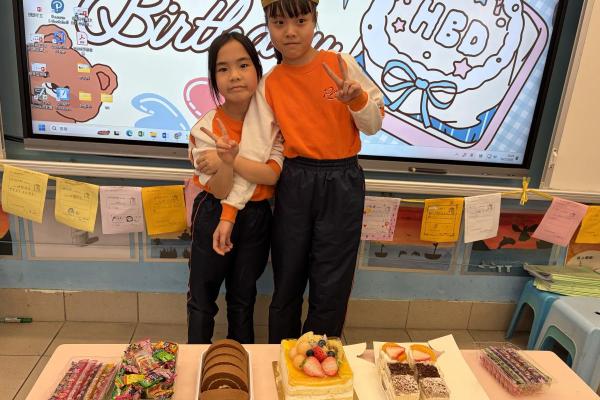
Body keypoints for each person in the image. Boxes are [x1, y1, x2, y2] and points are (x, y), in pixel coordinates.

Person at [217, 0, 385, 343]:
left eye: (300, 21)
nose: (290, 32)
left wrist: (356, 101)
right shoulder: (270, 84)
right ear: (268, 26)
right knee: (288, 278)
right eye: (279, 23)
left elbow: (373, 125)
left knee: (332, 283)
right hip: (295, 181)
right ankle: (282, 356)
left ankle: (320, 361)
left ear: (314, 20)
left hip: (343, 181)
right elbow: (253, 151)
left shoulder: (340, 64)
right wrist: (229, 211)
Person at [187, 31, 283, 344]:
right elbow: (219, 190)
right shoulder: (206, 127)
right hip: (213, 211)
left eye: (243, 65)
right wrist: (226, 164)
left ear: (257, 70)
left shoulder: (272, 125)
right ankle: (196, 358)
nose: (235, 76)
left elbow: (271, 176)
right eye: (223, 69)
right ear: (214, 79)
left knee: (243, 297)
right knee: (202, 297)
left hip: (256, 216)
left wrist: (229, 158)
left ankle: (241, 362)